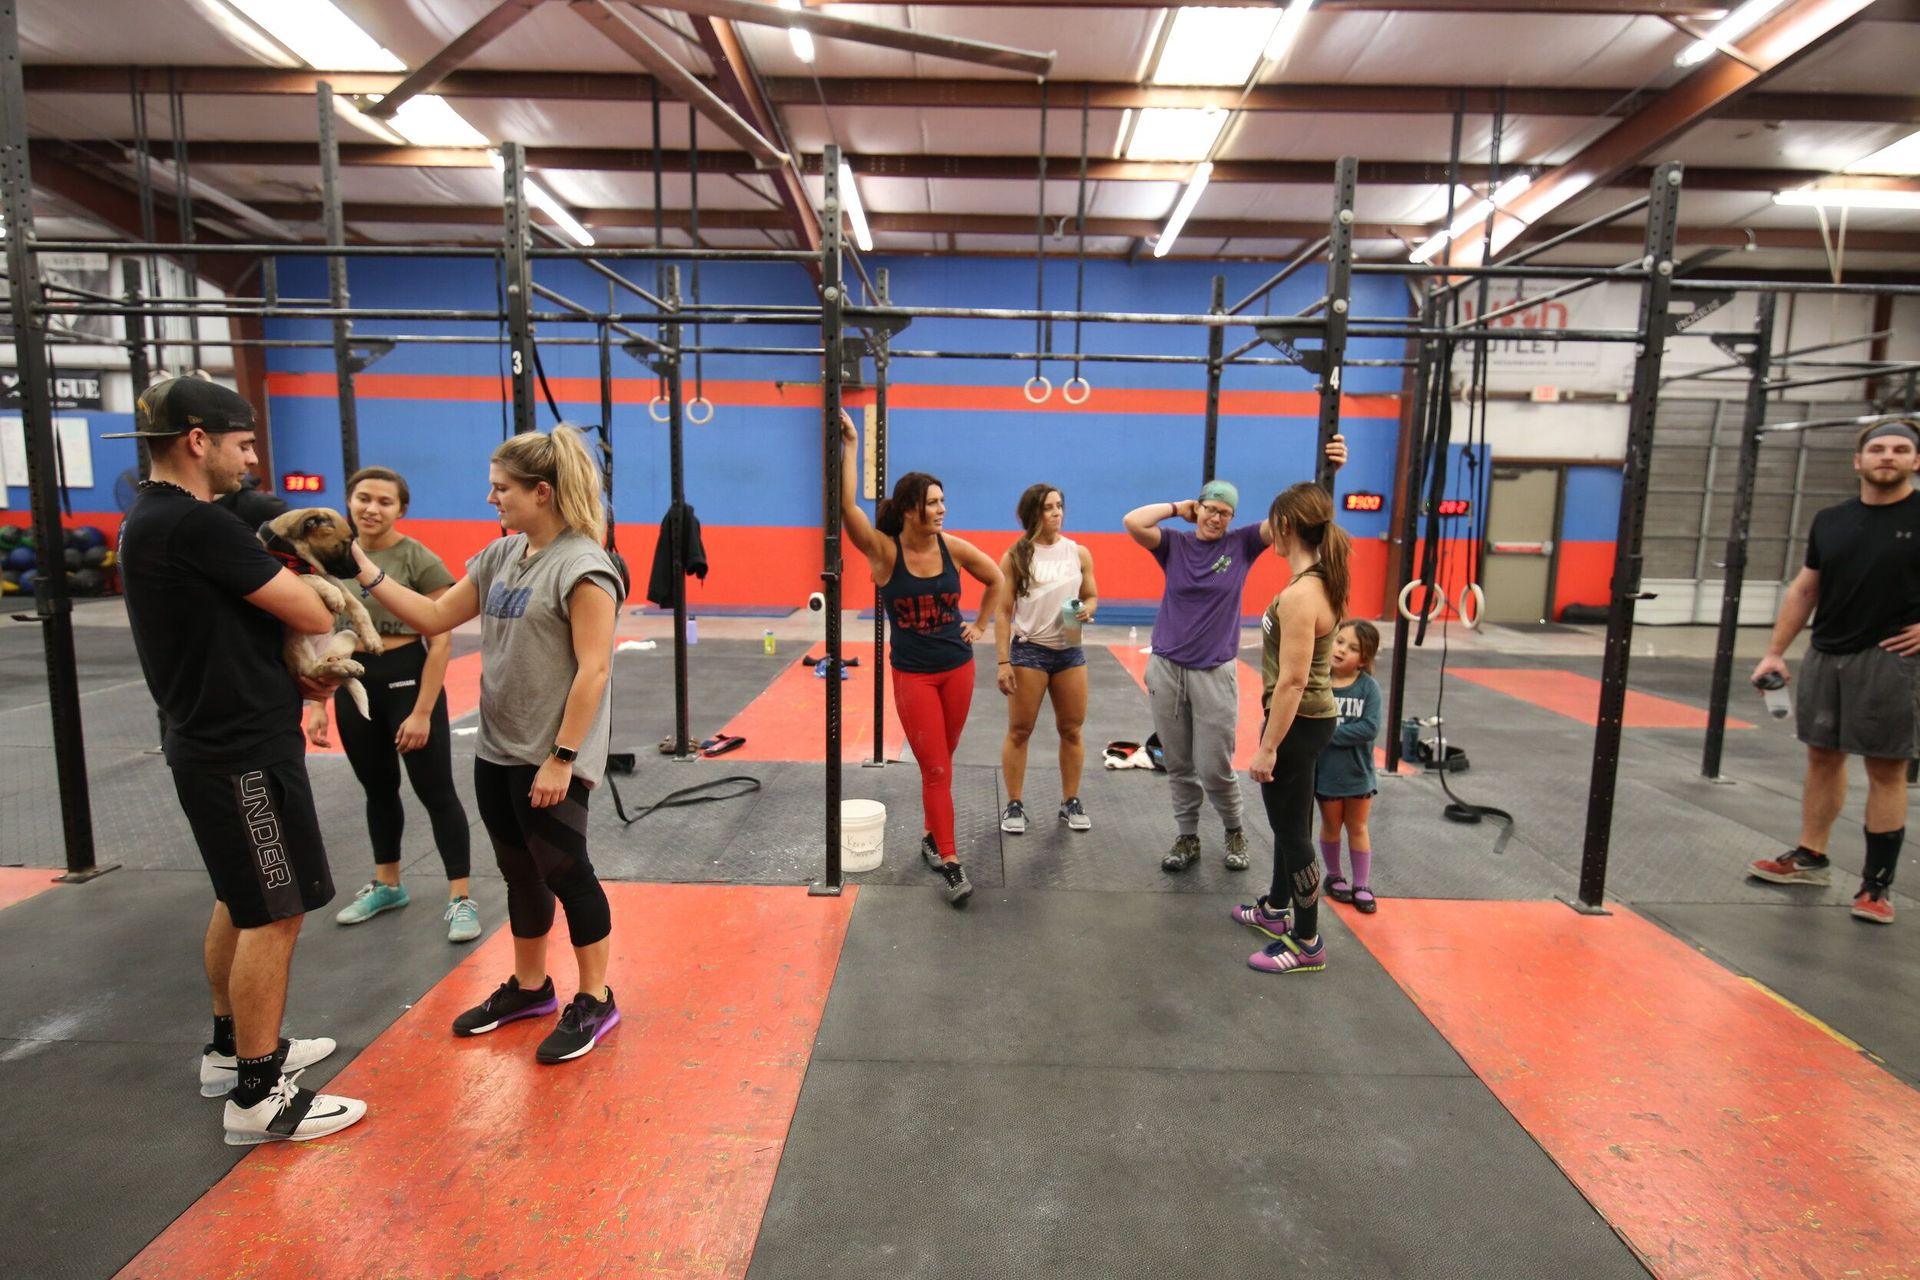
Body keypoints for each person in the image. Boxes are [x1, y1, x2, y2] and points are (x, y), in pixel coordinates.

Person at [109, 376, 366, 1145]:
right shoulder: (195, 525)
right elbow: (316, 608)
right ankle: (259, 1095)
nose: (251, 459)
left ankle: (229, 1051)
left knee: (239, 895)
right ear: (198, 441)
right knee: (275, 911)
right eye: (243, 443)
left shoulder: (147, 521)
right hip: (240, 751)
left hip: (212, 739)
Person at [350, 425, 625, 1059]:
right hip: (497, 747)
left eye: (501, 488)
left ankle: (597, 998)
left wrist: (562, 757)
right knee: (518, 874)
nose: (490, 498)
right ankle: (532, 988)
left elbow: (595, 670)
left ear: (542, 492)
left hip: (549, 756)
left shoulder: (585, 567)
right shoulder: (503, 555)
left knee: (567, 874)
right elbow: (433, 616)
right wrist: (360, 569)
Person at [1121, 436, 1345, 874]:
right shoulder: (1174, 545)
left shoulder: (1242, 544)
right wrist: (1177, 506)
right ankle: (1187, 836)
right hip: (1166, 668)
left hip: (1214, 672)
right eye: (1209, 508)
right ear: (1198, 508)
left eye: (1225, 512)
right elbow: (1132, 521)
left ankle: (1234, 829)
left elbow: (1296, 519)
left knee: (1214, 766)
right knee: (1179, 763)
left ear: (1233, 518)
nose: (1216, 517)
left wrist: (1327, 475)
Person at [1748, 419, 1920, 926]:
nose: (1887, 456)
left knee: (1886, 768)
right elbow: (1805, 590)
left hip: (1892, 657)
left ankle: (1875, 886)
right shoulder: (1831, 520)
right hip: (1827, 652)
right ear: (1858, 461)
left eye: (1901, 449)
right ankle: (1811, 857)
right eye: (1878, 449)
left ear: (1916, 461)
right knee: (1823, 757)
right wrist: (1775, 652)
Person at [306, 466, 477, 944]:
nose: (371, 508)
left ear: (401, 509)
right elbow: (318, 632)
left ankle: (461, 897)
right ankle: (388, 884)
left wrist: (422, 711)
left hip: (407, 679)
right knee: (378, 791)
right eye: (363, 498)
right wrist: (317, 703)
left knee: (436, 792)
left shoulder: (416, 558)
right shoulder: (327, 560)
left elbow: (440, 641)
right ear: (349, 502)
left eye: (384, 501)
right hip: (352, 680)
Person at [839, 410, 1004, 907]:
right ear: (910, 509)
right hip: (914, 677)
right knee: (935, 770)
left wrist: (980, 626)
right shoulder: (885, 554)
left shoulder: (952, 547)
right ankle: (951, 862)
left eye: (942, 501)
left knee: (942, 765)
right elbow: (847, 507)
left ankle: (934, 837)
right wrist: (851, 445)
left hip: (958, 670)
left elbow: (996, 578)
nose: (941, 510)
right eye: (932, 503)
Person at [1232, 482, 1349, 973]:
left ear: (1285, 526)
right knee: (1290, 821)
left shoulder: (1303, 594)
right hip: (1308, 721)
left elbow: (1293, 681)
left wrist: (1267, 747)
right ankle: (1277, 911)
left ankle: (1307, 941)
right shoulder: (1321, 580)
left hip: (1296, 723)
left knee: (1293, 831)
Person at [995, 484, 1099, 834]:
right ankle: (1014, 804)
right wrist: (1003, 662)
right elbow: (1003, 611)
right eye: (1049, 507)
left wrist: (1087, 610)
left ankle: (1070, 801)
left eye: (1060, 506)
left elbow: (1091, 595)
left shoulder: (1078, 553)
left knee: (1071, 730)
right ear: (1033, 513)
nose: (1057, 512)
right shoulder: (1016, 556)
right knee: (1020, 731)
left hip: (1070, 650)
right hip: (1029, 651)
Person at [1316, 619, 1382, 914]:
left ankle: (1362, 883)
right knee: (1331, 826)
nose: (1342, 649)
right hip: (1326, 774)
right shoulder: (1318, 682)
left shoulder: (1368, 688)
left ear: (1364, 659)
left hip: (1358, 775)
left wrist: (1326, 734)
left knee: (1357, 826)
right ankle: (1334, 875)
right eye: (1339, 641)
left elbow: (1369, 728)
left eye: (1352, 648)